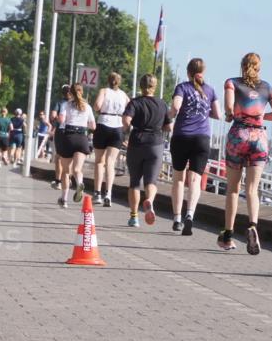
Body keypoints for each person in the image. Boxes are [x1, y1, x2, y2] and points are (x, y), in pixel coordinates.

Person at [219, 52, 272, 254]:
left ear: (242, 66)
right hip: (259, 138)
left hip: (239, 135)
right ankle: (253, 226)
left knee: (232, 189)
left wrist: (232, 115)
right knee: (252, 189)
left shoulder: (232, 83)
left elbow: (229, 109)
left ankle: (228, 235)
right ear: (259, 68)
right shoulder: (267, 87)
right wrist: (262, 116)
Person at [168, 58, 220, 235]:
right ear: (202, 72)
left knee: (179, 178)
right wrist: (205, 112)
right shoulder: (211, 90)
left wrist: (169, 116)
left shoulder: (182, 87)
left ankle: (176, 219)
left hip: (182, 136)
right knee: (196, 179)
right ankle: (190, 214)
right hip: (202, 138)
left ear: (188, 72)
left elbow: (175, 107)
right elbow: (218, 114)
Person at [122, 74, 172, 227]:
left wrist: (126, 130)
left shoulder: (135, 102)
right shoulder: (162, 104)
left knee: (135, 182)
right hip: (155, 144)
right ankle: (149, 200)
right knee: (151, 181)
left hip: (137, 142)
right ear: (154, 87)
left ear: (141, 86)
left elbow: (126, 120)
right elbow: (169, 127)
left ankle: (134, 216)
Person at [54, 83, 95, 207]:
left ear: (70, 93)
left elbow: (61, 120)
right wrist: (82, 125)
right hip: (82, 138)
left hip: (68, 137)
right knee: (77, 169)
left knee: (66, 171)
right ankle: (79, 183)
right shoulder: (87, 107)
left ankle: (64, 199)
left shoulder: (66, 105)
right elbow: (93, 126)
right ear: (81, 92)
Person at [91, 72, 129, 207]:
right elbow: (130, 108)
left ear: (108, 81)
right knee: (111, 162)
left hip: (103, 124)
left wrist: (100, 109)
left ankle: (97, 193)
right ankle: (109, 193)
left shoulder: (104, 91)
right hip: (118, 127)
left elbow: (96, 106)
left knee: (99, 162)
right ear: (119, 82)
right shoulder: (124, 95)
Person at [49, 84, 72, 189]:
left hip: (61, 131)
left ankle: (58, 181)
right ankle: (68, 179)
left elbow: (53, 116)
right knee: (70, 157)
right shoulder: (76, 103)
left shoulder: (59, 103)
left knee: (59, 156)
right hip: (73, 131)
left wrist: (58, 120)